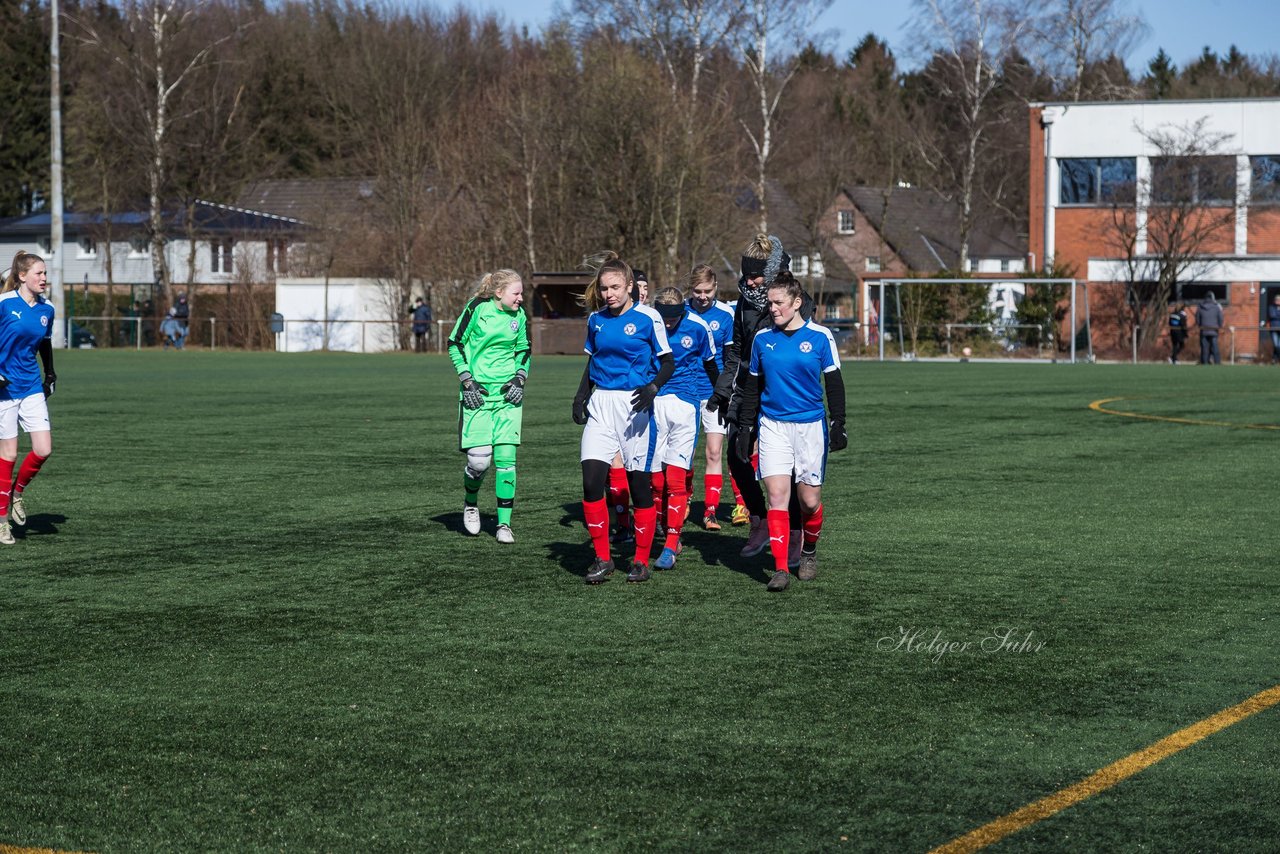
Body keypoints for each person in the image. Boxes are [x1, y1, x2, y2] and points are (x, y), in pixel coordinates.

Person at [707, 233, 815, 566]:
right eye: (746, 273)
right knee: (738, 457)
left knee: (789, 473)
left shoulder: (797, 300)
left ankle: (795, 533)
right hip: (746, 389)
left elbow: (799, 353)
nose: (749, 280)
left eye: (755, 274)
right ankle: (760, 520)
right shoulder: (744, 301)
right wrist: (723, 392)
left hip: (783, 394)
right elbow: (737, 352)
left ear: (771, 274)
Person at [736, 271, 847, 591]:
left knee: (809, 501)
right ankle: (781, 567)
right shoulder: (762, 339)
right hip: (773, 426)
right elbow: (753, 388)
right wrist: (746, 427)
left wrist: (838, 422)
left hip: (810, 427)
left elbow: (834, 384)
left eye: (779, 303)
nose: (772, 308)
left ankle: (809, 552)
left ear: (797, 303)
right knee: (777, 496)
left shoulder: (821, 337)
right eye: (770, 303)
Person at [573, 254, 674, 584]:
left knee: (639, 487)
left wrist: (653, 387)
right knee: (591, 482)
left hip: (635, 406)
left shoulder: (649, 318)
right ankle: (603, 559)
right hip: (602, 403)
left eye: (615, 287)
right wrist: (581, 395)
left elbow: (668, 362)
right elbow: (593, 362)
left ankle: (641, 561)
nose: (608, 294)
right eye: (603, 288)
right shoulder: (595, 320)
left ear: (630, 286)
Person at [447, 270, 530, 544]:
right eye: (516, 293)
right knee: (479, 462)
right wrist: (466, 379)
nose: (521, 298)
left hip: (508, 397)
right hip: (478, 394)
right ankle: (471, 503)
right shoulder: (476, 309)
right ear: (499, 293)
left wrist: (520, 377)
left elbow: (524, 350)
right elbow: (454, 343)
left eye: (521, 293)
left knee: (507, 461)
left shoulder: (520, 315)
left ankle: (504, 525)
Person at [649, 286, 718, 570]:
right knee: (654, 481)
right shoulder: (648, 322)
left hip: (686, 406)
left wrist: (719, 396)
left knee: (676, 479)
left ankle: (671, 544)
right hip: (652, 405)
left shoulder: (698, 326)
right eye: (663, 317)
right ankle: (661, 528)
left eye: (673, 317)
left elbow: (712, 364)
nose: (667, 323)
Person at [0, 251, 57, 545]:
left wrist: (50, 373)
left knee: (43, 449)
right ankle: (1, 522)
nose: (44, 278)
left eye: (45, 273)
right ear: (22, 276)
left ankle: (17, 494)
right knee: (8, 455)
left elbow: (44, 344)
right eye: (39, 274)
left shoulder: (48, 309)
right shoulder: (4, 303)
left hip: (31, 386)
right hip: (4, 390)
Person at [685, 264, 738, 531]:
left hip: (714, 394)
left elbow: (730, 359)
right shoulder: (680, 312)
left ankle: (710, 511)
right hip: (684, 393)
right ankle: (683, 498)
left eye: (707, 290)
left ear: (716, 287)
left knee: (714, 451)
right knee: (684, 452)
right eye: (697, 291)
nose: (702, 296)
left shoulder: (726, 314)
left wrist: (724, 390)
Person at [1196, 292, 1223, 365]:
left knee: (1204, 347)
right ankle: (1217, 362)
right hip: (1214, 330)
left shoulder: (1200, 307)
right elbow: (1220, 318)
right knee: (1215, 347)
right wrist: (1219, 325)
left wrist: (1199, 325)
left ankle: (1204, 361)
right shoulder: (1216, 307)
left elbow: (1197, 319)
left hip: (1203, 330)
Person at [1264, 294, 1280, 364]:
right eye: (1276, 299)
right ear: (1274, 300)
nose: (1278, 301)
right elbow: (1272, 315)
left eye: (1279, 300)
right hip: (1274, 328)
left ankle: (1274, 358)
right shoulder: (1271, 307)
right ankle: (1276, 358)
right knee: (1276, 345)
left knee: (1279, 345)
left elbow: (1275, 315)